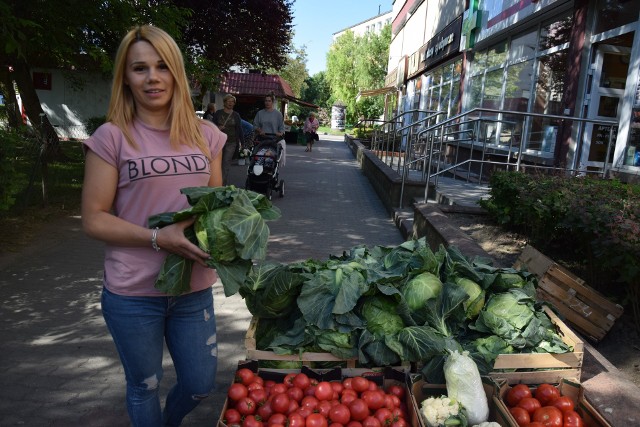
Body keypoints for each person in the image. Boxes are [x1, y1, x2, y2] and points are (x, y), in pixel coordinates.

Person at [81, 25, 226, 427]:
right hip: (133, 291)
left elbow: (216, 206)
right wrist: (158, 238)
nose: (152, 78)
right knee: (144, 385)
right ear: (125, 78)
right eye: (139, 68)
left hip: (192, 287)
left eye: (162, 66)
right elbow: (93, 218)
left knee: (199, 384)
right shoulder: (112, 137)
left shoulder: (206, 135)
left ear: (177, 72)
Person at [213, 94, 244, 185]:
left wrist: (242, 143)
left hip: (231, 142)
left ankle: (222, 185)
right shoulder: (218, 113)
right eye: (229, 101)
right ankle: (214, 182)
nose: (230, 103)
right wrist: (217, 128)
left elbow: (240, 129)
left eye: (232, 102)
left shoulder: (236, 115)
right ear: (224, 102)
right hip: (218, 142)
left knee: (226, 164)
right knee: (217, 163)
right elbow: (211, 127)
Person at [253, 93, 286, 165]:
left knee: (272, 156)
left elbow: (282, 128)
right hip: (262, 139)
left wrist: (280, 133)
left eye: (269, 101)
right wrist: (260, 130)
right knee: (258, 154)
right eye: (266, 101)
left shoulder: (278, 114)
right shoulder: (260, 113)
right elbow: (255, 125)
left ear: (273, 102)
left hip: (274, 139)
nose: (267, 103)